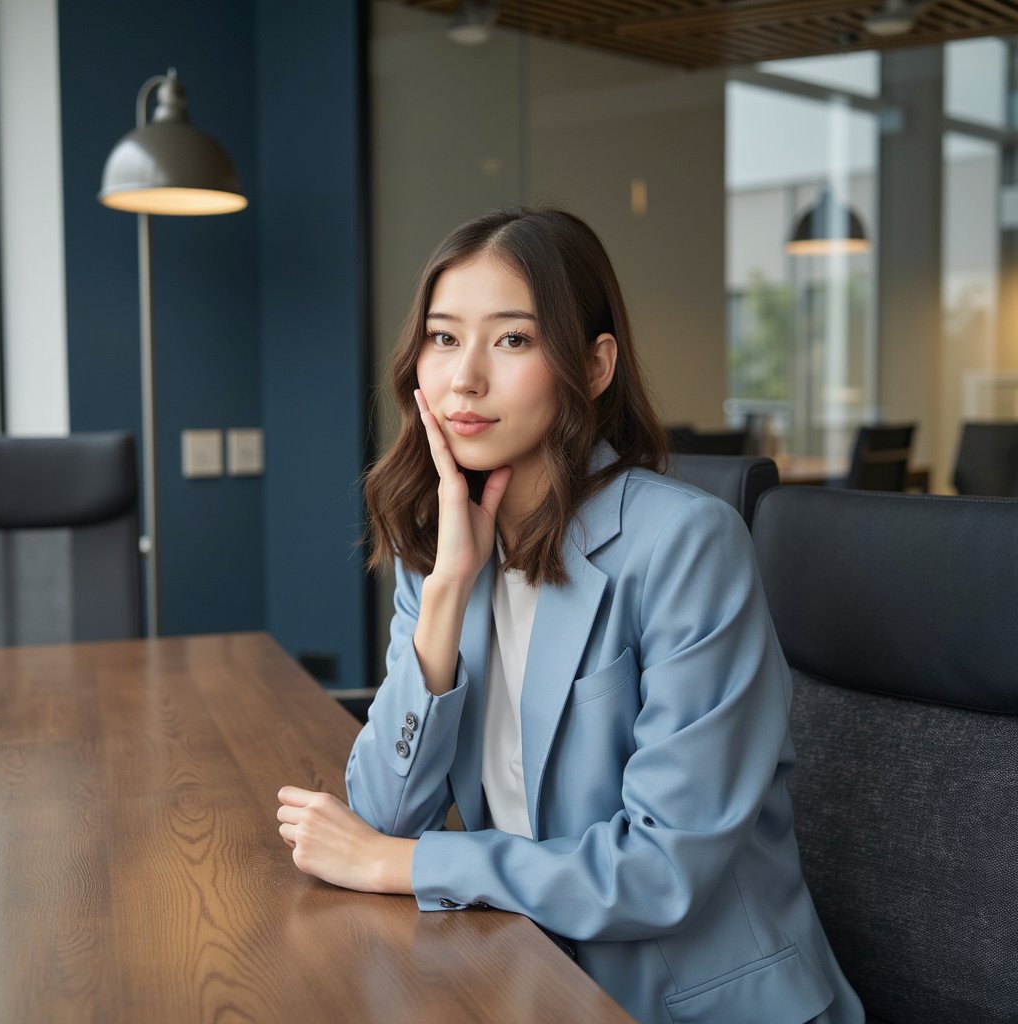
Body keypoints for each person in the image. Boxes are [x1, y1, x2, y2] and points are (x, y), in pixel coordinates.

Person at [277, 207, 864, 1024]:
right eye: (443, 339)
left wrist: (410, 865)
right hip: (526, 973)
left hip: (692, 1001)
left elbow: (661, 869)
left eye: (512, 340)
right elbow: (380, 817)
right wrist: (446, 589)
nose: (464, 379)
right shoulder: (442, 547)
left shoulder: (685, 547)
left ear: (593, 366)